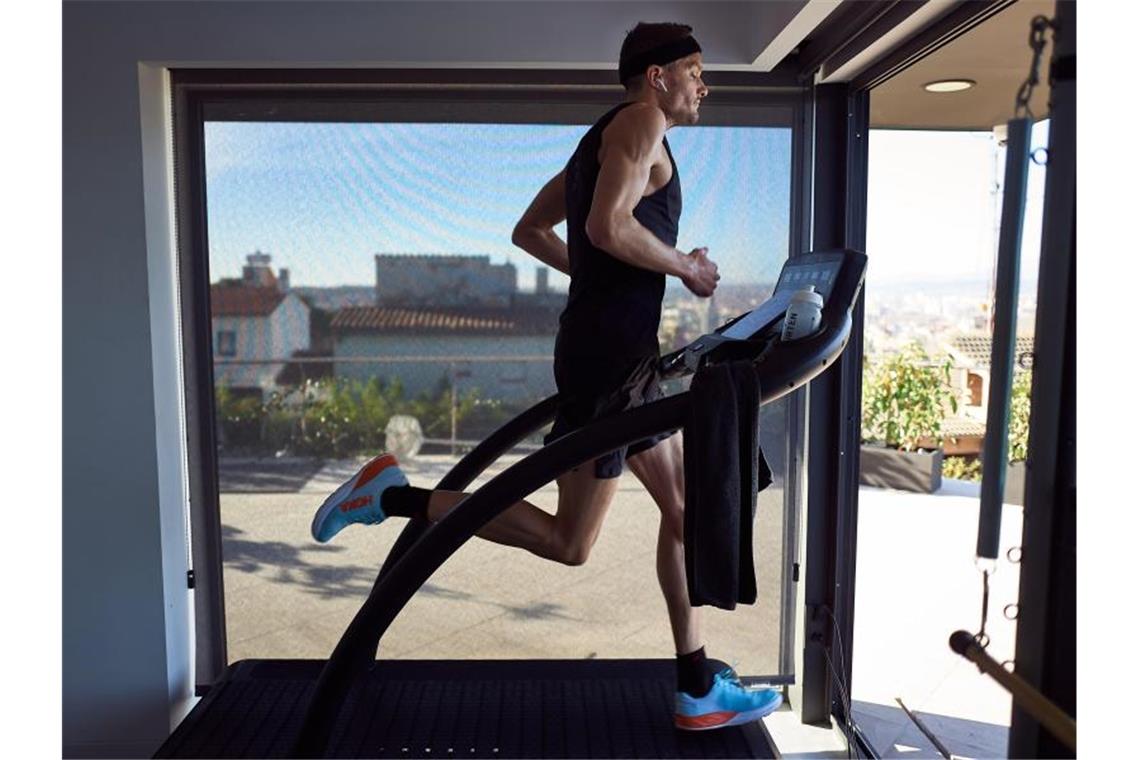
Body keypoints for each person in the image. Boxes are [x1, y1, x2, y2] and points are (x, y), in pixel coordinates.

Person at [310, 22, 782, 730]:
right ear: (656, 76)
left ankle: (696, 685)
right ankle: (394, 495)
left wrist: (606, 278)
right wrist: (684, 266)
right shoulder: (642, 120)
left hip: (617, 351)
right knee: (572, 545)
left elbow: (533, 231)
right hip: (611, 358)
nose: (703, 85)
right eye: (693, 69)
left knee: (684, 512)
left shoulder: (602, 138)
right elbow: (604, 227)